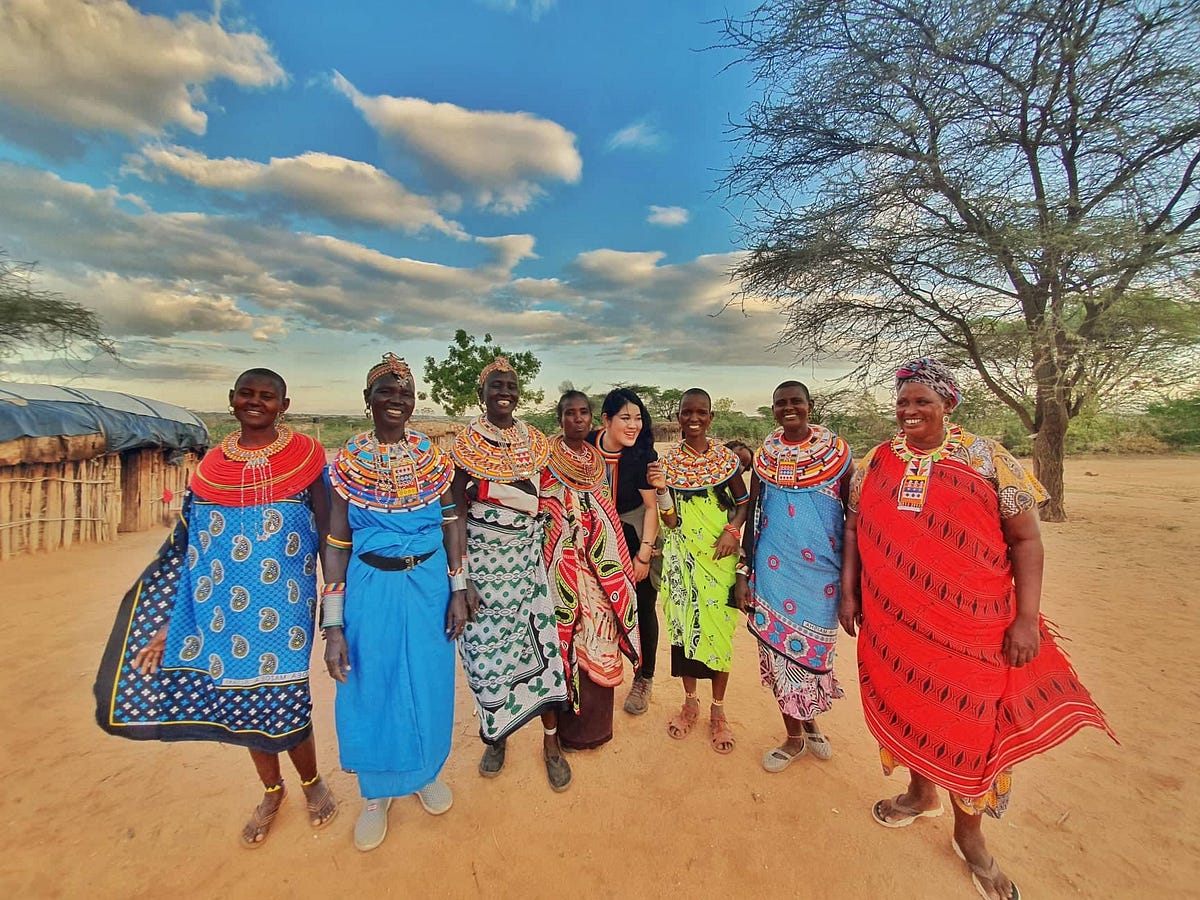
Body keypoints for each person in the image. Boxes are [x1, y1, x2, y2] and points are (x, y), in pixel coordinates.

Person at [840, 358, 1115, 900]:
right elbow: (853, 527)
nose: (909, 411)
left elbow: (1026, 541)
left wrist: (1028, 619)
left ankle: (971, 838)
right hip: (894, 622)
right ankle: (921, 795)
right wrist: (850, 593)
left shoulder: (990, 458)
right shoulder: (876, 460)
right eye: (902, 402)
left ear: (947, 404)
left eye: (921, 401)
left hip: (974, 628)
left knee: (970, 726)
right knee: (912, 706)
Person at [94, 368, 338, 848]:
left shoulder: (306, 458)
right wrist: (170, 623)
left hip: (285, 605)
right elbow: (187, 550)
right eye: (247, 394)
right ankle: (272, 791)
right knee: (238, 700)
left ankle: (312, 782)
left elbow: (330, 534)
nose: (256, 402)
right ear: (231, 400)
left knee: (285, 695)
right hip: (218, 607)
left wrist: (336, 605)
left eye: (267, 397)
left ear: (283, 406)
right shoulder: (208, 469)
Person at [321, 354, 470, 851]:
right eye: (386, 390)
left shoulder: (433, 458)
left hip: (428, 586)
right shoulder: (347, 463)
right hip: (370, 590)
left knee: (428, 680)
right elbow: (337, 542)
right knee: (372, 684)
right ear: (368, 401)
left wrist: (456, 589)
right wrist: (334, 626)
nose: (397, 399)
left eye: (405, 392)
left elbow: (452, 523)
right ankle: (376, 794)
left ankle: (424, 772)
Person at [451, 357, 572, 791]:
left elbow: (545, 498)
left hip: (527, 562)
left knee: (544, 652)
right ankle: (496, 736)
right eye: (496, 385)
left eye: (511, 385)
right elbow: (456, 514)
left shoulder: (536, 443)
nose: (505, 391)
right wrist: (460, 580)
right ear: (481, 395)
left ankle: (551, 743)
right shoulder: (465, 445)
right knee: (485, 660)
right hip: (482, 568)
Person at [734, 381, 851, 772]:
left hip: (821, 580)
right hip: (772, 573)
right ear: (772, 411)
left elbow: (853, 522)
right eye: (781, 404)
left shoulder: (838, 457)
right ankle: (794, 737)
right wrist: (743, 571)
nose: (789, 408)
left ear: (809, 406)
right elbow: (753, 514)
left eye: (795, 402)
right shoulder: (766, 458)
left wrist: (853, 586)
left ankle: (811, 721)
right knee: (780, 656)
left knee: (812, 658)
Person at [541, 391, 640, 751]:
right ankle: (565, 732)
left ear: (591, 418)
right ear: (560, 417)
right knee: (566, 640)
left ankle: (597, 729)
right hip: (562, 567)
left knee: (603, 633)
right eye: (570, 413)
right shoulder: (545, 459)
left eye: (584, 412)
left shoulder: (597, 462)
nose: (578, 419)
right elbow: (544, 510)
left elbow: (606, 515)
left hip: (601, 569)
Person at [655, 388, 749, 753]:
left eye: (701, 412)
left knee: (719, 635)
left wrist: (731, 531)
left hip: (718, 561)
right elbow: (671, 520)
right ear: (678, 416)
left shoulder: (726, 462)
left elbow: (743, 504)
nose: (693, 419)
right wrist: (662, 489)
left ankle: (718, 711)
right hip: (681, 562)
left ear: (711, 417)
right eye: (686, 412)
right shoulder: (668, 464)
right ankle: (690, 701)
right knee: (684, 631)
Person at [587, 388, 662, 716]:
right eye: (625, 418)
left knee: (643, 605)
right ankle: (594, 670)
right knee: (597, 605)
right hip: (593, 533)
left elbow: (651, 508)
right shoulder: (586, 445)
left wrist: (644, 554)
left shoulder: (643, 453)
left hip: (634, 530)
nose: (634, 426)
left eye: (638, 418)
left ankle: (644, 677)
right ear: (606, 419)